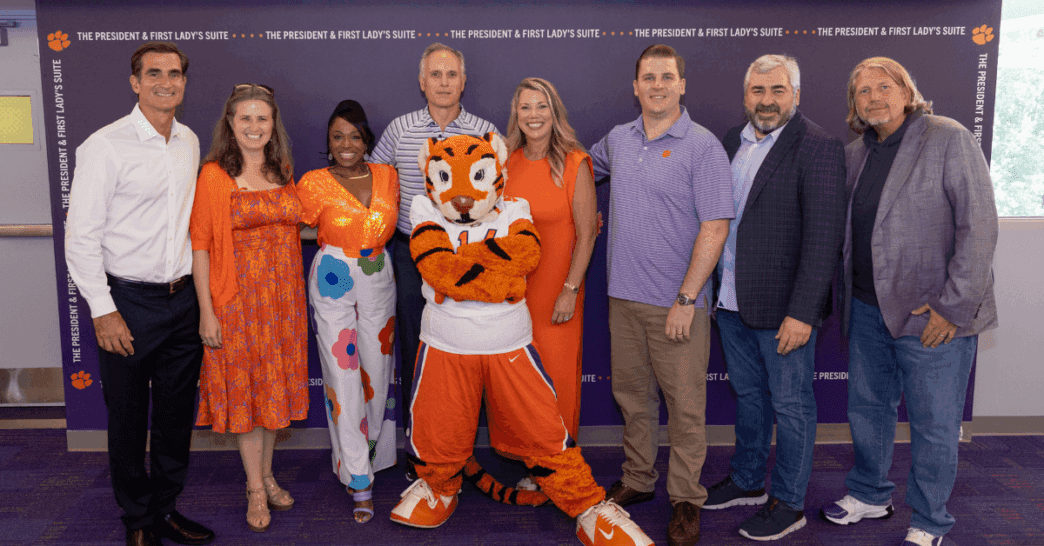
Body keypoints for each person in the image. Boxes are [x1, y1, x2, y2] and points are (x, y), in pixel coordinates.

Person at [391, 132, 654, 546]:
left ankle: (588, 506)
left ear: (496, 171)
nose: (461, 199)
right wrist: (495, 275)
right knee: (439, 426)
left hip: (507, 341)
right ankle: (440, 486)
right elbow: (435, 265)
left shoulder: (516, 207)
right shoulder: (424, 205)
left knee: (544, 429)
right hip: (445, 341)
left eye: (477, 177)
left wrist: (465, 272)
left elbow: (525, 256)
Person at [820, 57, 998, 546]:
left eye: (884, 86)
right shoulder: (855, 153)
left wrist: (953, 308)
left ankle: (930, 520)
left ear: (907, 91)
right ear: (853, 104)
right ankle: (870, 494)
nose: (873, 97)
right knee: (869, 409)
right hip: (867, 307)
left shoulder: (947, 137)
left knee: (934, 423)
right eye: (862, 91)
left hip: (933, 316)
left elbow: (978, 227)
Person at [65, 41, 215, 546]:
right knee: (128, 420)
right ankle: (137, 521)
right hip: (126, 302)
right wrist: (104, 312)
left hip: (181, 302)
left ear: (184, 83)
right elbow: (81, 237)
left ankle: (167, 509)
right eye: (154, 73)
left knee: (174, 419)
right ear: (135, 82)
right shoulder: (103, 146)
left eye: (175, 74)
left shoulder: (189, 141)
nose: (166, 82)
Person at [589, 44, 734, 546]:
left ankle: (686, 499)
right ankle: (637, 480)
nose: (657, 85)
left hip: (677, 304)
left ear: (682, 85)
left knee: (686, 407)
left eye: (666, 77)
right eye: (648, 77)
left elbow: (715, 227)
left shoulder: (702, 146)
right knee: (633, 400)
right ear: (635, 87)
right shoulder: (617, 141)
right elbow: (577, 175)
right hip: (622, 300)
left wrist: (687, 298)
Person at [701, 55, 846, 541]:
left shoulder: (819, 146)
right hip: (732, 302)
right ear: (746, 96)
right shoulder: (730, 142)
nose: (767, 100)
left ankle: (789, 502)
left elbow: (825, 238)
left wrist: (803, 313)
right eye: (758, 91)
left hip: (784, 310)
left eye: (777, 90)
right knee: (748, 396)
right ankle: (746, 481)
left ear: (796, 95)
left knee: (792, 405)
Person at [190, 83, 308, 533]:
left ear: (272, 124)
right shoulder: (214, 176)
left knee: (271, 395)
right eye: (245, 119)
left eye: (262, 118)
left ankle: (267, 475)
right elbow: (199, 246)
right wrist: (207, 311)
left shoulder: (284, 169)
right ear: (231, 124)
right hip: (236, 304)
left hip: (282, 304)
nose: (254, 126)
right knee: (245, 397)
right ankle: (255, 489)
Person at [369, 42, 498, 446]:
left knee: (467, 347)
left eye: (452, 75)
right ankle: (420, 445)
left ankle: (463, 445)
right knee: (415, 347)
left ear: (464, 81)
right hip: (414, 255)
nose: (444, 83)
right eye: (436, 75)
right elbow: (375, 184)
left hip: (469, 256)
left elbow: (500, 194)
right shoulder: (400, 129)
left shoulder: (484, 132)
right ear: (422, 82)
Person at [297, 100, 399, 523]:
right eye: (337, 136)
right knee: (342, 375)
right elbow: (297, 226)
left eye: (354, 136)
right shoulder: (314, 182)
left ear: (366, 140)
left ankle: (369, 457)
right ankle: (359, 480)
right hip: (333, 273)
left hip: (378, 269)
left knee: (376, 372)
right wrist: (331, 235)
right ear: (328, 141)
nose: (346, 144)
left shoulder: (387, 176)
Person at [503, 77, 597, 442]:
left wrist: (570, 290)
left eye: (542, 106)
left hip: (558, 295)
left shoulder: (575, 163)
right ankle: (527, 458)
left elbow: (587, 234)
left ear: (554, 112)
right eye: (525, 107)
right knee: (518, 380)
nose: (534, 114)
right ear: (517, 114)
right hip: (512, 298)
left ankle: (558, 462)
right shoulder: (504, 163)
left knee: (554, 377)